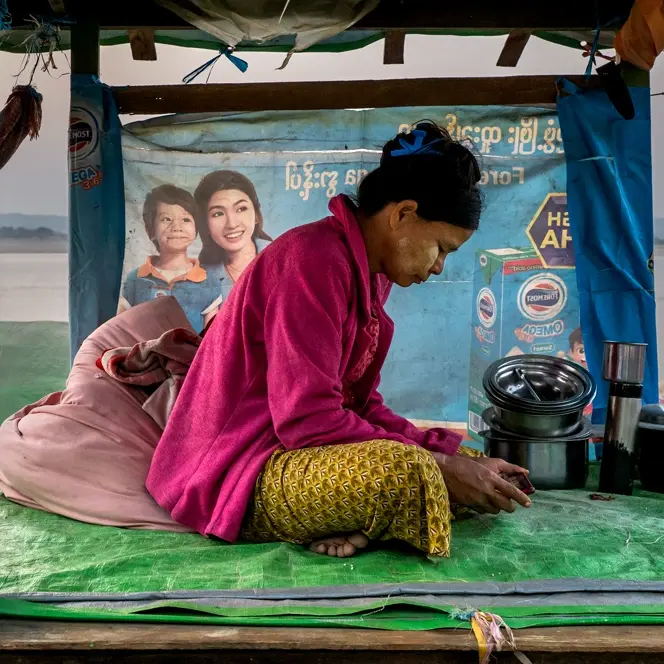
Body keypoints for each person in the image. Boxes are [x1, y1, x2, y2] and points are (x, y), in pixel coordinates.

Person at [147, 121, 531, 560]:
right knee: (413, 473)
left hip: (299, 454)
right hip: (236, 472)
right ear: (403, 214)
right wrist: (441, 467)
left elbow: (361, 407)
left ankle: (365, 524)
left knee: (468, 463)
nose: (440, 266)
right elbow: (307, 422)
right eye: (441, 247)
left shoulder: (371, 274)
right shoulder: (311, 261)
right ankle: (371, 519)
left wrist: (450, 455)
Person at [121, 184, 222, 333]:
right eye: (166, 219)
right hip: (144, 356)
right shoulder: (135, 279)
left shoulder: (209, 282)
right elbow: (119, 330)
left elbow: (212, 337)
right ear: (151, 230)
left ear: (196, 229)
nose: (177, 227)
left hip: (190, 356)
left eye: (186, 220)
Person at [194, 170, 272, 315]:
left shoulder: (281, 260)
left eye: (241, 209)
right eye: (218, 213)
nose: (232, 224)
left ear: (256, 215)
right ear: (206, 224)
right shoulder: (200, 277)